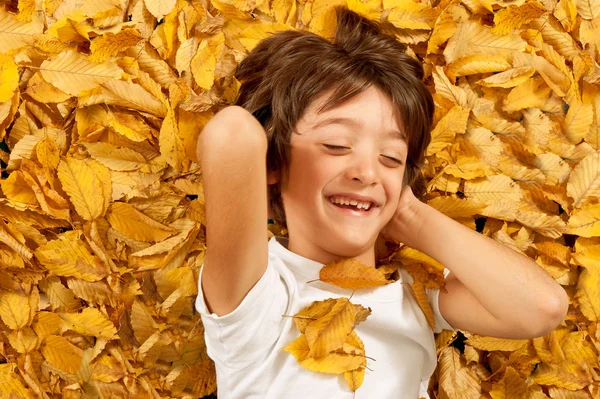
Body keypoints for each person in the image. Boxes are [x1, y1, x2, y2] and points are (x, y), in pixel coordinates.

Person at [194, 5, 569, 398]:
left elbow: (541, 307)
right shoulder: (258, 294)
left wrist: (410, 214)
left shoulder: (414, 291)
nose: (368, 173)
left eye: (391, 158)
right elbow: (232, 134)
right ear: (272, 159)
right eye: (336, 145)